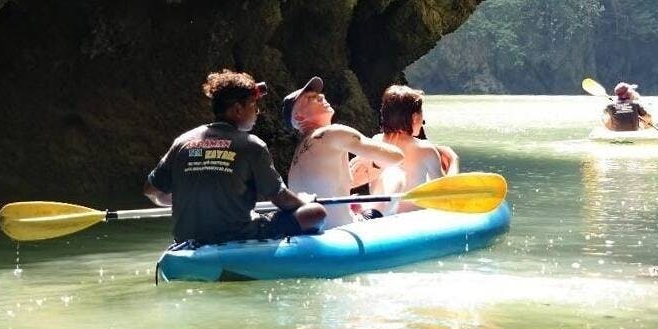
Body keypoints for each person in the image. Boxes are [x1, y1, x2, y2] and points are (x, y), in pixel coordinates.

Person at [144, 70, 326, 246]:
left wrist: (189, 198)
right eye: (254, 105)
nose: (258, 112)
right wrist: (304, 200)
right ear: (238, 109)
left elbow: (152, 191)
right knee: (315, 213)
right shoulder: (252, 145)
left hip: (187, 237)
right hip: (238, 235)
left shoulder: (182, 142)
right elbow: (280, 198)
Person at [284, 76, 405, 228]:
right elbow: (397, 156)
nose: (321, 96)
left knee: (358, 200)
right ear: (299, 117)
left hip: (314, 228)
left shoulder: (299, 153)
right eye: (311, 98)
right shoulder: (333, 132)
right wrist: (374, 153)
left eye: (319, 94)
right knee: (396, 173)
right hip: (345, 229)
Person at [352, 85, 460, 215]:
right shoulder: (425, 149)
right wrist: (453, 160)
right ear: (414, 118)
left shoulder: (375, 141)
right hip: (411, 221)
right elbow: (446, 193)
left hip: (379, 216)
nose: (422, 122)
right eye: (422, 117)